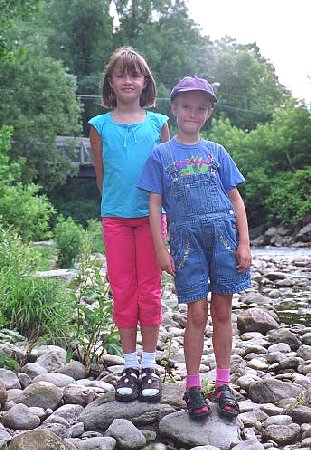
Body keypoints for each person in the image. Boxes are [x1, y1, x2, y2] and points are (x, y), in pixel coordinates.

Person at [137, 75, 252, 419]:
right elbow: (155, 205)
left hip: (224, 239)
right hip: (186, 243)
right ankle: (191, 386)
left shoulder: (217, 152)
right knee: (197, 314)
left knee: (221, 312)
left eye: (201, 108)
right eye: (186, 106)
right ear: (174, 109)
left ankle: (222, 383)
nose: (193, 112)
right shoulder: (161, 154)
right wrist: (161, 249)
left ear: (209, 112)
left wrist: (244, 243)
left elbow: (236, 199)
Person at [88, 47, 170, 403]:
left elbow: (169, 177)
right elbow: (103, 178)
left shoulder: (158, 123)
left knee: (149, 291)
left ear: (144, 82)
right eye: (120, 75)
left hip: (153, 221)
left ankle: (149, 365)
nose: (127, 81)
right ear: (111, 82)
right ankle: (128, 366)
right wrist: (117, 208)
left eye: (134, 75)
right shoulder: (99, 125)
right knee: (123, 291)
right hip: (116, 221)